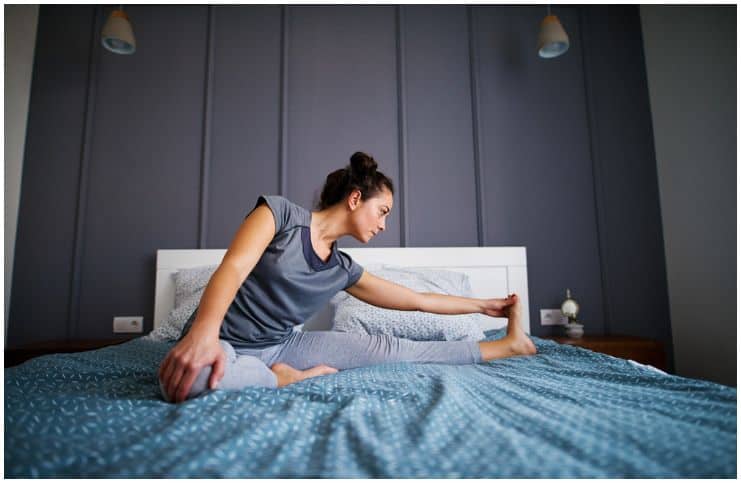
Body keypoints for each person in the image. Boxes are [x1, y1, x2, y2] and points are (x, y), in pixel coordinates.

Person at [158, 152, 536, 404]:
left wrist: (484, 306)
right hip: (221, 340)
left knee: (392, 349)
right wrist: (203, 335)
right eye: (382, 211)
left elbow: (417, 300)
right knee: (184, 381)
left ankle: (509, 346)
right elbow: (234, 266)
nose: (384, 225)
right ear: (355, 199)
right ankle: (283, 380)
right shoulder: (280, 215)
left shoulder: (342, 269)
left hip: (282, 347)